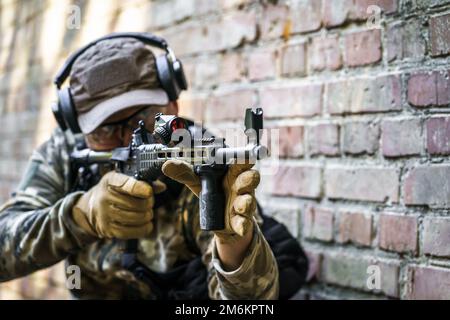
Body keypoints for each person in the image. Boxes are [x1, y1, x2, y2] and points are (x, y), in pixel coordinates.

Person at [0, 33, 280, 299]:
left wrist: (235, 251)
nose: (127, 139)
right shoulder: (66, 154)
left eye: (144, 118)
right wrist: (79, 216)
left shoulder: (198, 157)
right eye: (104, 130)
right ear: (79, 130)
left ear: (173, 106)